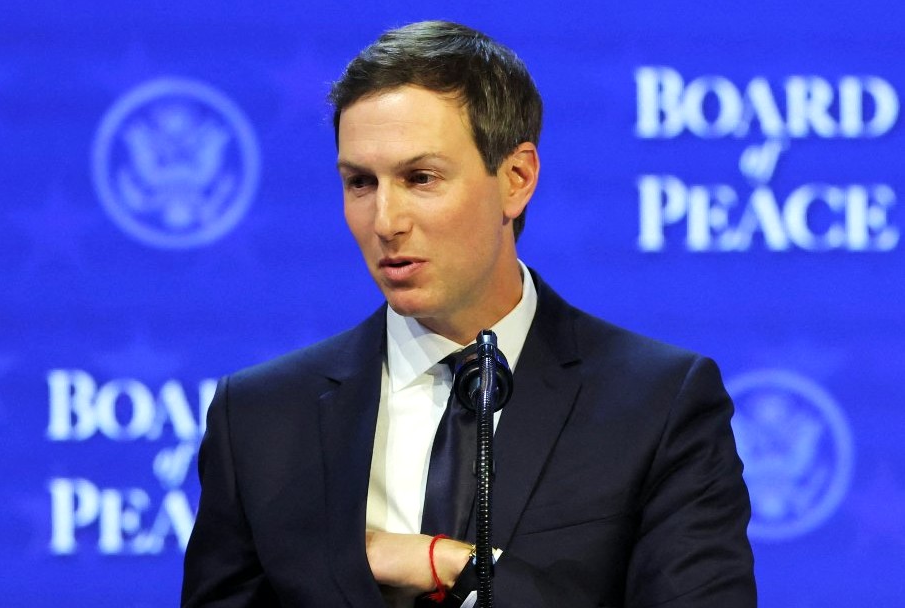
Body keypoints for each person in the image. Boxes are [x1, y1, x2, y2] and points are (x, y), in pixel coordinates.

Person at [181, 20, 756, 608]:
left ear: (516, 179)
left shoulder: (656, 404)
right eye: (360, 183)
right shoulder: (262, 418)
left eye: (420, 178)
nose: (385, 221)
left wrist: (452, 566)